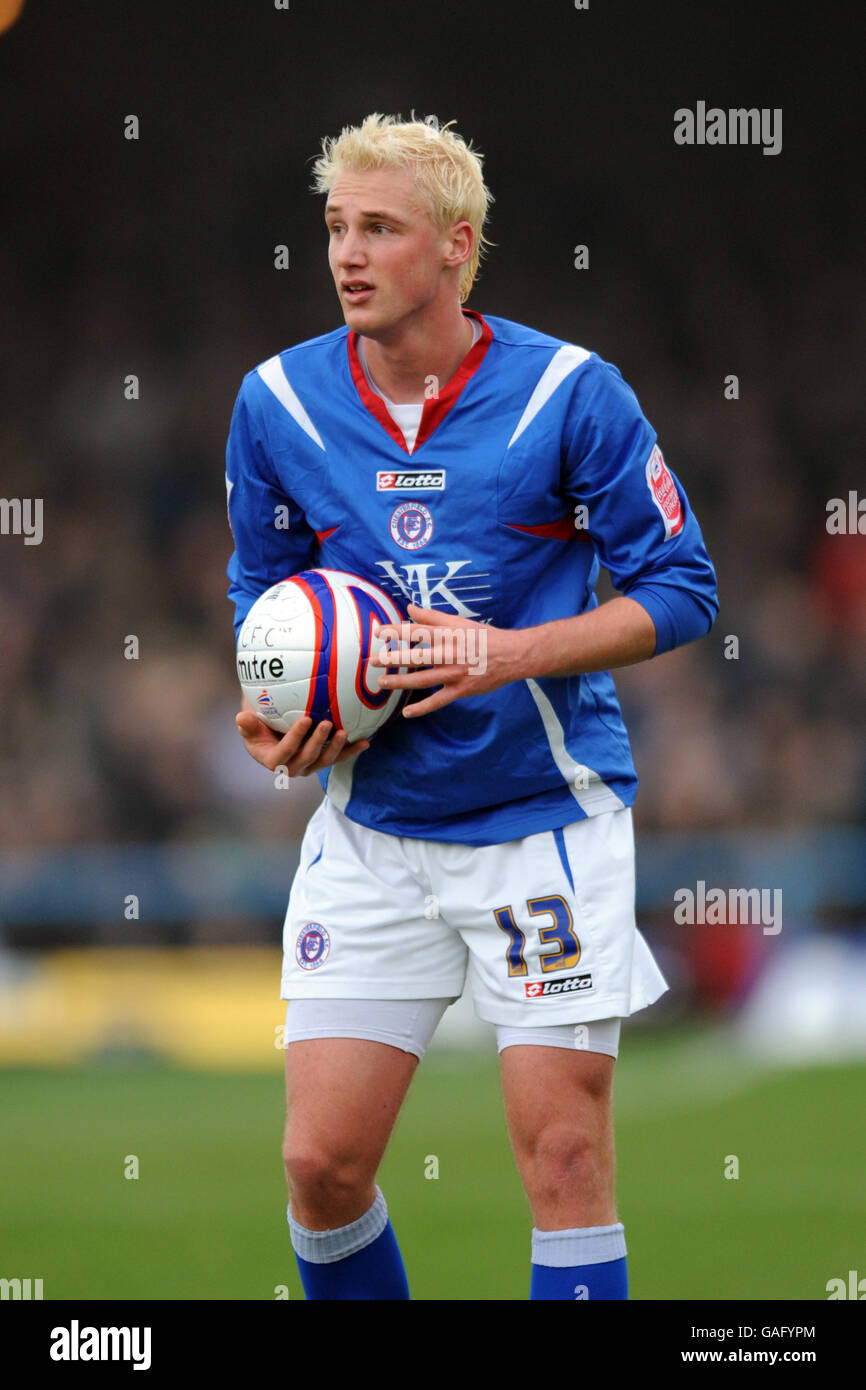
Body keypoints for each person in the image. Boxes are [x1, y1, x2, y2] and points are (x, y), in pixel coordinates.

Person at [226, 112, 718, 1301]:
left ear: (455, 247)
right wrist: (271, 711)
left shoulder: (567, 391)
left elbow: (682, 585)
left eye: (379, 229)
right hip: (374, 829)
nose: (347, 254)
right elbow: (265, 602)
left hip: (540, 822)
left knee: (558, 1156)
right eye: (336, 228)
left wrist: (512, 651)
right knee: (319, 1164)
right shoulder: (278, 403)